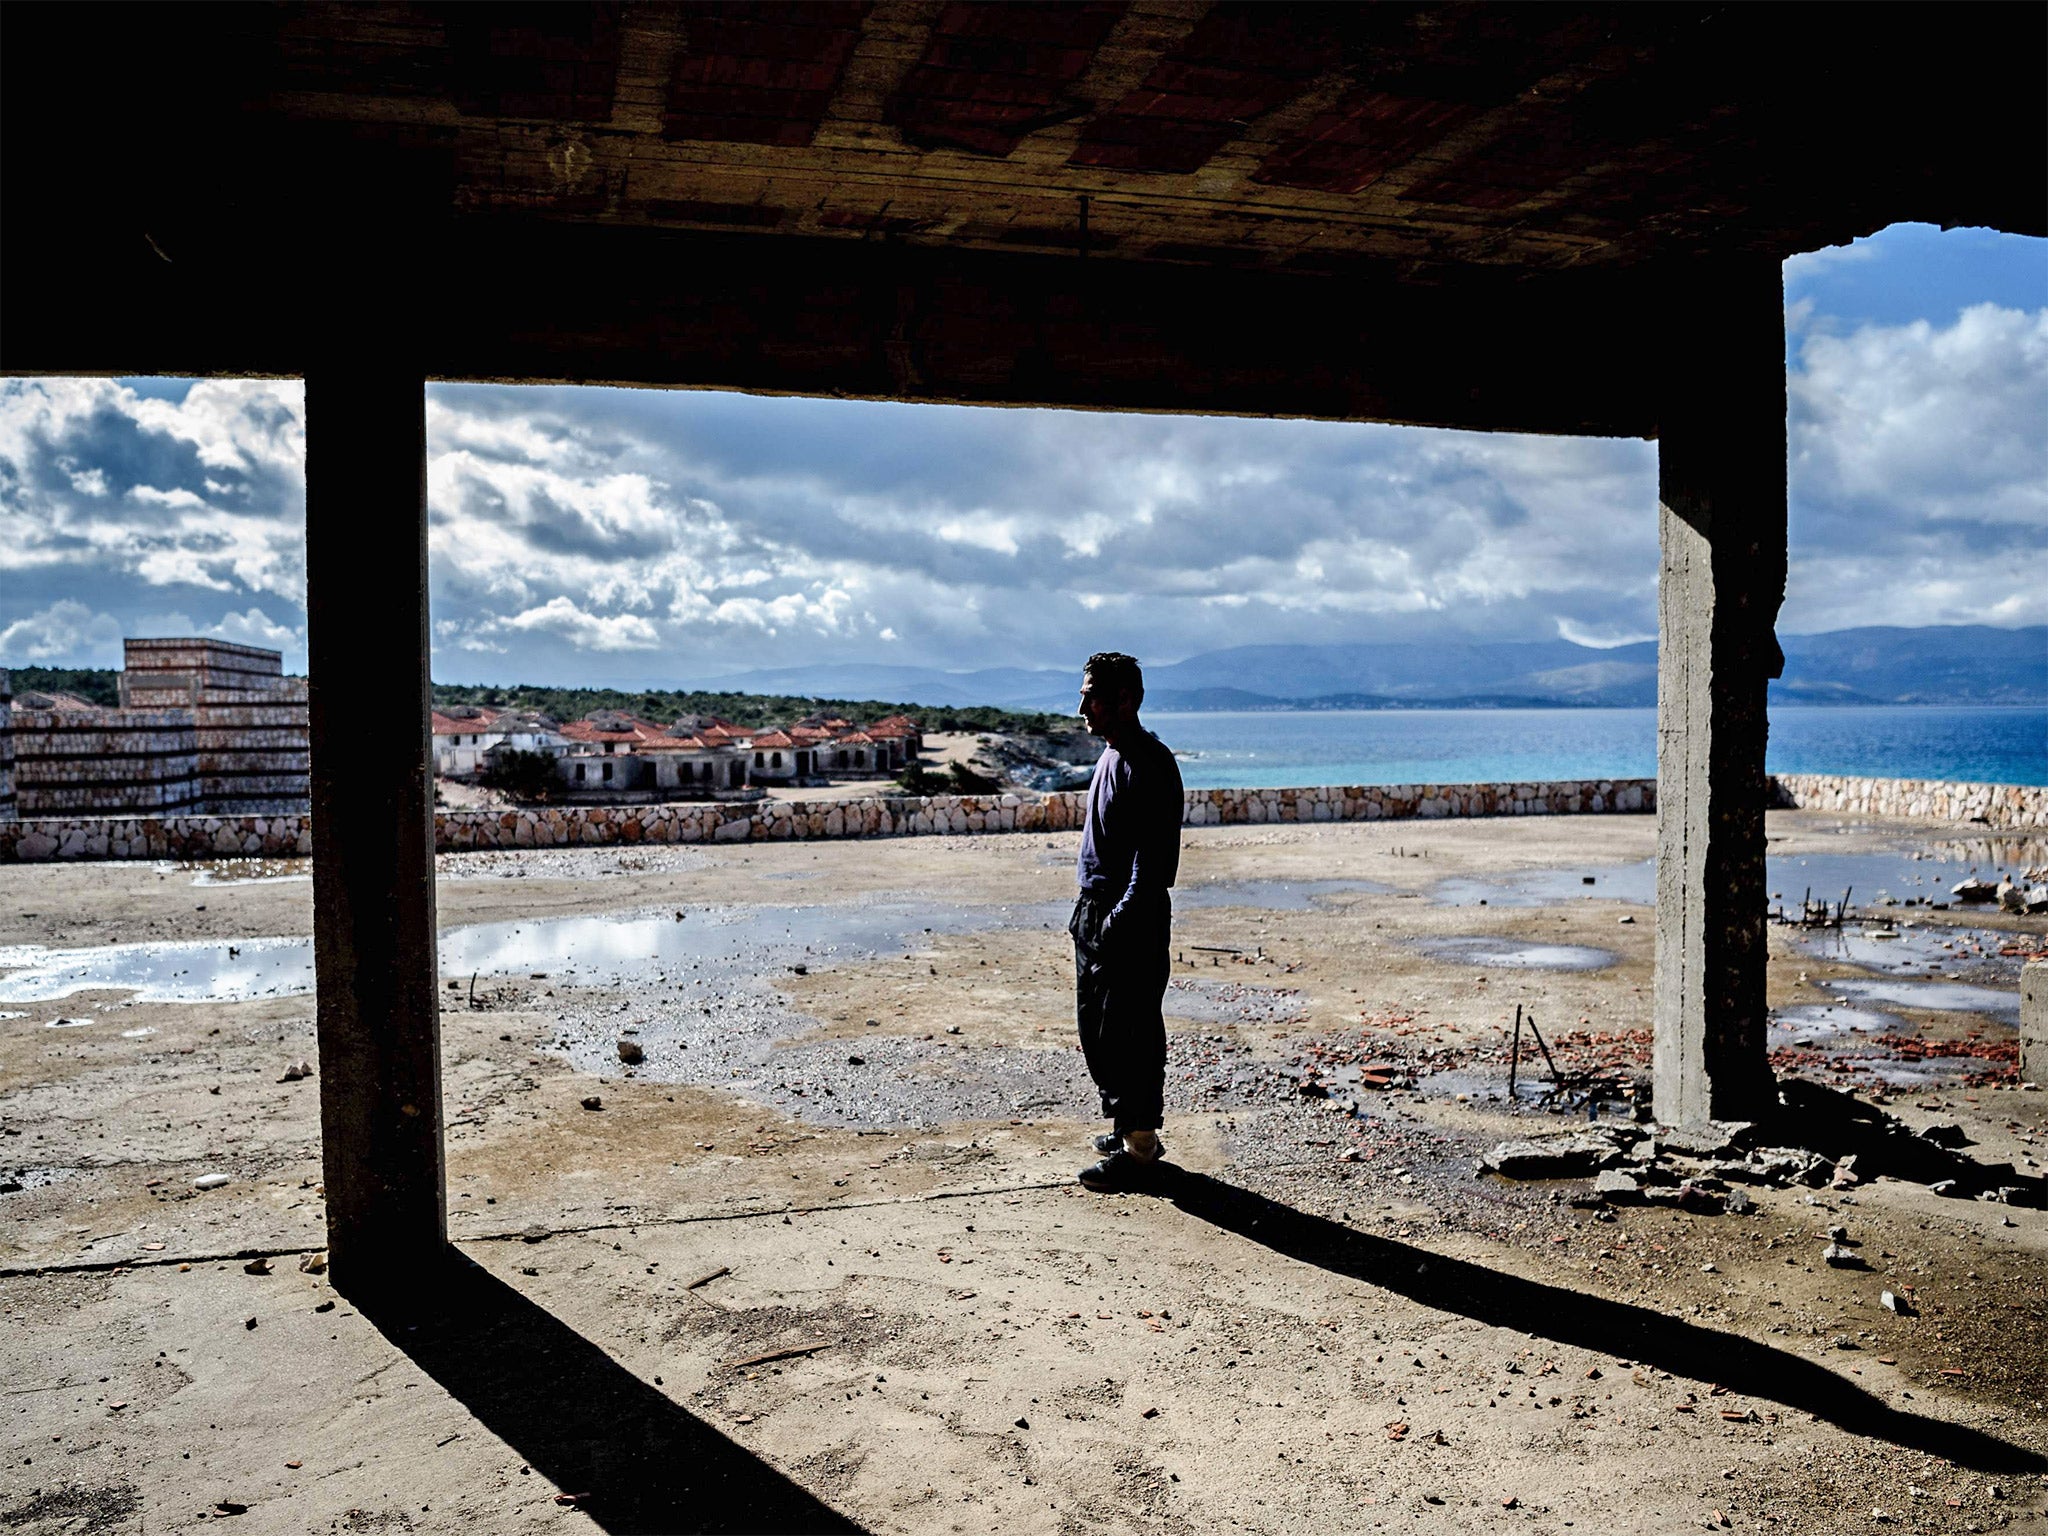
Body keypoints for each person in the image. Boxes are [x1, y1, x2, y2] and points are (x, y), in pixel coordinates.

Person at [1068, 651, 1182, 1192]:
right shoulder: (1112, 755)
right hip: (1095, 913)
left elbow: (1151, 862)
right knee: (1099, 1030)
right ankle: (1127, 1129)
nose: (1082, 705)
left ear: (1126, 700)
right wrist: (1089, 919)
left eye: (1092, 694)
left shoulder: (1148, 762)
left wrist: (1116, 920)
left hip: (1127, 919)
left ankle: (1139, 1151)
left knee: (1129, 1033)